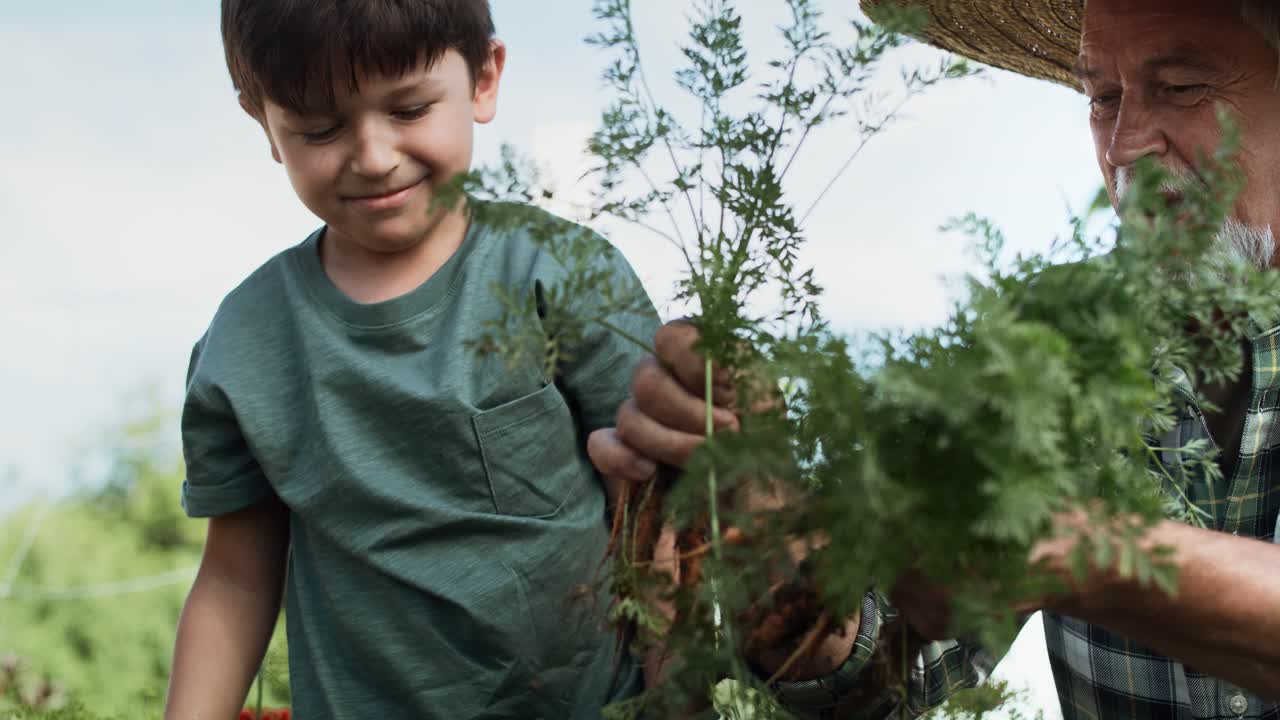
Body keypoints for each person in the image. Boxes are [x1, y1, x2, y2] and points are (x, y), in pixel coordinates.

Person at [586, 0, 1280, 718]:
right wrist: (777, 536)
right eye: (1104, 98)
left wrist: (1087, 554)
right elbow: (881, 672)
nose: (1124, 145)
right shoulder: (1052, 350)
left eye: (1182, 87)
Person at [162, 2, 660, 718]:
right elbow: (237, 579)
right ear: (264, 125)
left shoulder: (560, 273)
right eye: (319, 127)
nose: (372, 155)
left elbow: (662, 518)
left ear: (484, 79)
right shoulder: (244, 344)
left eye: (410, 108)